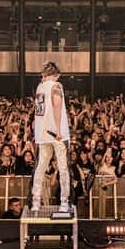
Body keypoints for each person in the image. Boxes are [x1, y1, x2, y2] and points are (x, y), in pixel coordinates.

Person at [31, 61, 71, 212]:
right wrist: (59, 130)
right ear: (56, 75)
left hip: (42, 133)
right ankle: (64, 203)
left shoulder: (40, 88)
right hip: (56, 133)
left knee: (41, 166)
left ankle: (36, 202)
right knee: (63, 168)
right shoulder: (56, 86)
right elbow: (57, 106)